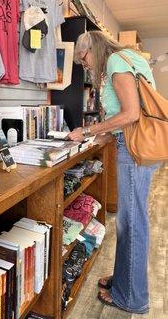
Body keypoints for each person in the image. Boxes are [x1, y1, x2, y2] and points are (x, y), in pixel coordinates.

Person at [69, 31, 157, 314]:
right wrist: (103, 137)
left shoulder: (117, 62)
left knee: (132, 223)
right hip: (133, 144)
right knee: (127, 222)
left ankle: (132, 298)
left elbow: (131, 114)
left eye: (84, 60)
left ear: (92, 48)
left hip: (133, 149)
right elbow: (129, 117)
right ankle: (123, 280)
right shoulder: (127, 58)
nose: (87, 67)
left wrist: (88, 129)